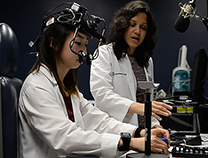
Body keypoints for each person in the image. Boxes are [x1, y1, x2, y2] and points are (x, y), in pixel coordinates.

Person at [18, 2, 170, 158]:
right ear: (54, 43)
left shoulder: (69, 89)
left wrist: (140, 132)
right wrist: (128, 142)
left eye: (85, 45)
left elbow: (98, 121)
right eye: (78, 43)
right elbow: (65, 137)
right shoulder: (37, 87)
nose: (84, 51)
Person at [90, 0, 173, 128]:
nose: (137, 31)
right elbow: (101, 94)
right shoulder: (105, 53)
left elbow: (147, 102)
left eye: (143, 27)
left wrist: (155, 125)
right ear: (123, 25)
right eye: (132, 24)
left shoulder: (146, 61)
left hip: (144, 133)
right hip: (114, 132)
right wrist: (137, 107)